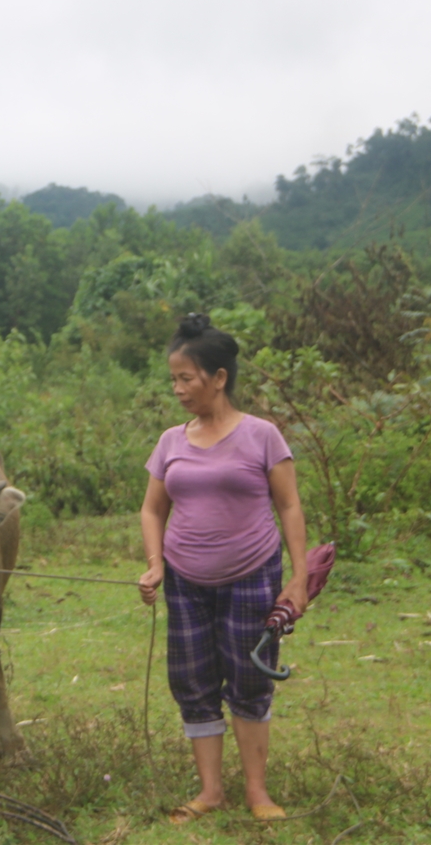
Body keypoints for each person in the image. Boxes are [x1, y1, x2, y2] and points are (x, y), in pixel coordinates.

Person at [136, 313, 308, 824]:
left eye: (186, 378)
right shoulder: (171, 441)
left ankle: (258, 791)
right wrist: (155, 565)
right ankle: (210, 791)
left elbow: (290, 507)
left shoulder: (262, 436)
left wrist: (297, 577)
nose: (178, 388)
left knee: (249, 680)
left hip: (252, 575)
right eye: (174, 379)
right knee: (193, 681)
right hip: (186, 581)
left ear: (219, 378)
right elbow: (151, 509)